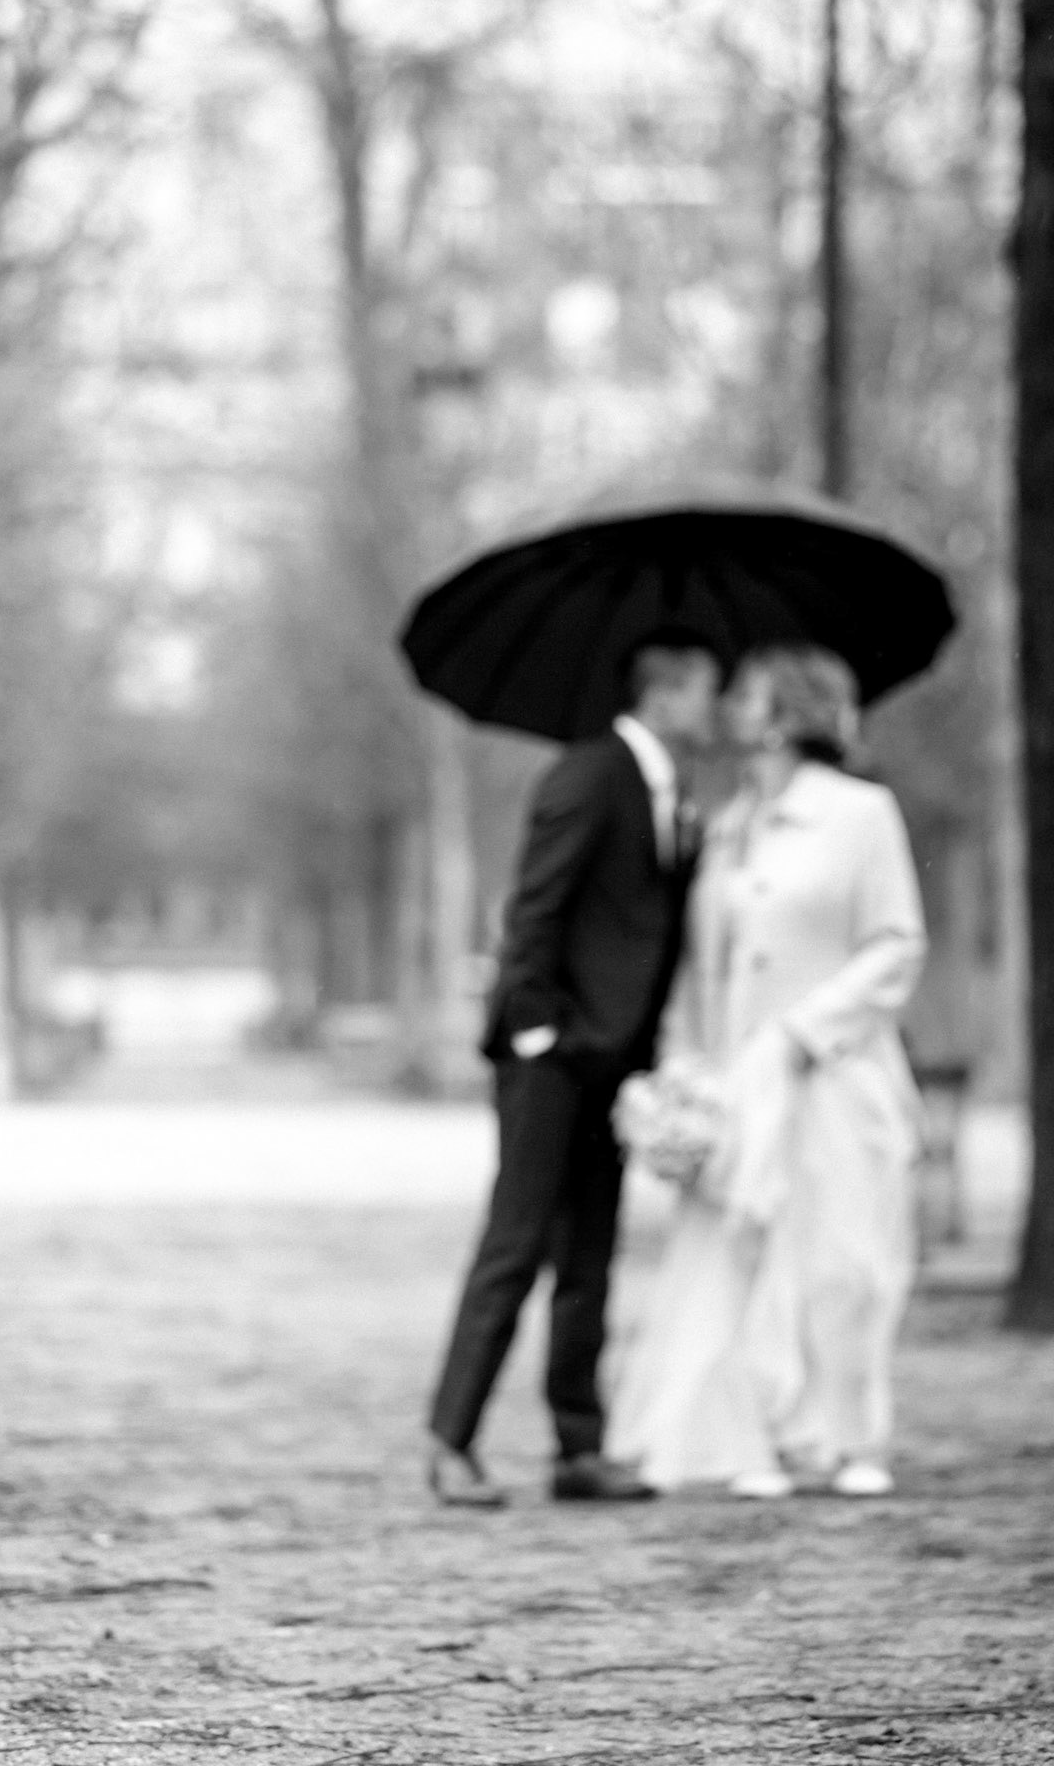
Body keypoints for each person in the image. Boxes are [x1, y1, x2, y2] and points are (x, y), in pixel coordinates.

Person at [607, 644, 927, 1498]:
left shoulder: (861, 815)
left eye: (744, 696)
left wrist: (802, 1033)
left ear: (785, 715)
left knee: (842, 1263)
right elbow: (694, 968)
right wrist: (682, 1063)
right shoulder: (723, 826)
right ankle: (764, 1438)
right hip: (737, 1087)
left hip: (834, 1079)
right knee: (746, 1260)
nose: (727, 710)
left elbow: (896, 944)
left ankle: (854, 1441)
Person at [426, 631, 722, 1506]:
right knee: (514, 1247)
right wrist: (535, 1036)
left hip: (614, 1066)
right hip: (550, 1063)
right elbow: (534, 909)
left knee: (590, 1257)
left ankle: (577, 1449)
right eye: (708, 690)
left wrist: (637, 1059)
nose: (715, 708)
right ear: (665, 695)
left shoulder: (673, 795)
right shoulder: (590, 774)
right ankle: (450, 1443)